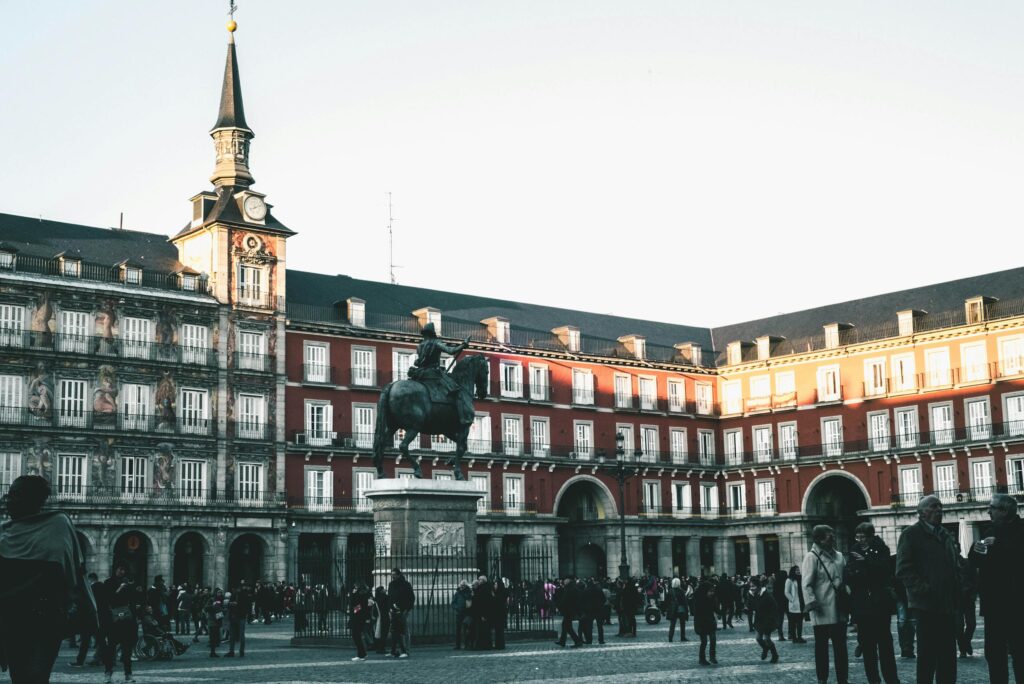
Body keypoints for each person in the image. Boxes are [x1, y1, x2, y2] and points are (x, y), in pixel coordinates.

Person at [0, 475, 96, 683]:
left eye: (16, 494)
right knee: (19, 676)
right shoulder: (4, 531)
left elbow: (65, 573)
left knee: (35, 676)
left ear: (35, 499)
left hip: (45, 617)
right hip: (11, 619)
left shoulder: (57, 525)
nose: (8, 499)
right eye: (9, 494)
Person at [896, 494, 959, 684]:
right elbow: (903, 569)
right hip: (926, 605)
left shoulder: (945, 534)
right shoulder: (911, 535)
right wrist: (924, 589)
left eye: (940, 507)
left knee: (948, 656)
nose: (939, 510)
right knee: (927, 655)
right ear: (921, 513)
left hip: (948, 603)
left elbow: (955, 565)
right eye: (933, 507)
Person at [969, 492, 1024, 684]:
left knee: (1020, 652)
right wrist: (974, 551)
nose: (988, 511)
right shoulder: (989, 529)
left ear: (1005, 510)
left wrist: (999, 545)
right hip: (993, 603)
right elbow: (977, 562)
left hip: (1018, 602)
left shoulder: (1021, 529)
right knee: (994, 654)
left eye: (992, 508)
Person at [846, 521, 899, 684]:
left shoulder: (881, 548)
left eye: (863, 536)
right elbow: (849, 574)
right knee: (867, 646)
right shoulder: (853, 550)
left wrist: (865, 562)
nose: (860, 540)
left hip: (879, 603)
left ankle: (891, 679)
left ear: (870, 536)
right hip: (861, 604)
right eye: (857, 536)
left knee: (885, 644)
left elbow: (885, 570)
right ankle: (873, 680)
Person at [802, 524, 849, 684]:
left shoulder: (839, 556)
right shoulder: (812, 557)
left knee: (841, 648)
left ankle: (843, 678)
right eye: (830, 536)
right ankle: (822, 679)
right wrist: (811, 602)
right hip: (821, 609)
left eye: (833, 535)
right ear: (820, 539)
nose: (833, 538)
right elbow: (806, 584)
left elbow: (846, 578)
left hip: (839, 607)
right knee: (821, 648)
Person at [407, 324, 474, 425]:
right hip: (433, 373)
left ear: (424, 334)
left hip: (421, 374)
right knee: (457, 390)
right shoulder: (436, 343)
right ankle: (462, 417)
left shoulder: (420, 346)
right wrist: (463, 345)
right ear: (432, 333)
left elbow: (420, 361)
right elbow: (451, 351)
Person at [101, 563, 139, 683]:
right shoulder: (108, 583)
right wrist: (120, 588)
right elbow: (108, 599)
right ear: (115, 570)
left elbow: (132, 600)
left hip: (126, 620)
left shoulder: (128, 583)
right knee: (111, 648)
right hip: (113, 620)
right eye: (120, 569)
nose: (122, 572)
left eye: (124, 570)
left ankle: (128, 674)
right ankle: (108, 673)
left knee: (127, 649)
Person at [387, 568, 415, 658]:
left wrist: (407, 609)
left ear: (399, 575)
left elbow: (411, 598)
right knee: (395, 631)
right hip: (393, 611)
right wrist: (390, 608)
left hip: (403, 611)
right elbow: (390, 597)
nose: (393, 576)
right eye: (392, 574)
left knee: (404, 631)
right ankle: (394, 650)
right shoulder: (391, 584)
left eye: (394, 574)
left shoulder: (406, 584)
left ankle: (406, 651)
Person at [752, 576, 780, 664]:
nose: (752, 588)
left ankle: (774, 654)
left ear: (758, 586)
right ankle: (765, 648)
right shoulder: (753, 595)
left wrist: (771, 617)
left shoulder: (766, 595)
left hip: (767, 620)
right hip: (758, 620)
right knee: (758, 638)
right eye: (751, 586)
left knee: (767, 639)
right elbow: (751, 605)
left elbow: (775, 606)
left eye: (753, 586)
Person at [955, 550, 977, 659]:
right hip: (956, 599)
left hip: (968, 598)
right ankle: (963, 648)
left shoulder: (967, 563)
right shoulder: (948, 565)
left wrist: (973, 593)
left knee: (971, 624)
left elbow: (975, 579)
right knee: (958, 627)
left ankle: (965, 643)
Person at [693, 580, 718, 665]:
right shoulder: (699, 600)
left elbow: (715, 608)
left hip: (710, 622)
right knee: (704, 641)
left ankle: (712, 657)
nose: (712, 593)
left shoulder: (712, 598)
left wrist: (720, 612)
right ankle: (702, 658)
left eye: (713, 591)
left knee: (713, 639)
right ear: (705, 591)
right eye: (710, 591)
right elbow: (697, 613)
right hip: (701, 623)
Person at [553, 577, 583, 648]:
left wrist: (560, 606)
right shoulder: (572, 588)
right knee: (565, 625)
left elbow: (566, 600)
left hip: (569, 610)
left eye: (565, 581)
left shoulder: (569, 589)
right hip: (570, 610)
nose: (564, 582)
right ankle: (562, 641)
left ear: (568, 582)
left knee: (568, 627)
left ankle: (577, 641)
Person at [348, 583, 371, 661]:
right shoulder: (363, 594)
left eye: (355, 587)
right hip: (360, 617)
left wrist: (354, 610)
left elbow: (360, 606)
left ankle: (361, 654)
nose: (354, 589)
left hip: (358, 617)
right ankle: (362, 653)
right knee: (357, 635)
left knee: (356, 635)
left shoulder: (360, 595)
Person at [784, 565, 806, 643]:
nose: (798, 571)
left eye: (798, 570)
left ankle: (799, 636)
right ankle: (794, 637)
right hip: (794, 603)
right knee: (793, 622)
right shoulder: (789, 580)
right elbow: (786, 592)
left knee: (800, 622)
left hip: (801, 603)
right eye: (796, 570)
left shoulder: (801, 579)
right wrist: (792, 600)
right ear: (793, 571)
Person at [666, 577, 688, 642]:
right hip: (680, 609)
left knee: (672, 625)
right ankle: (682, 637)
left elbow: (667, 601)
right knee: (682, 624)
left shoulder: (670, 591)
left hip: (673, 609)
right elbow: (684, 602)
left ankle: (670, 637)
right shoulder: (681, 591)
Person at [225, 590, 246, 657]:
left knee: (238, 635)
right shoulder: (241, 597)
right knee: (234, 636)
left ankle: (236, 651)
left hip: (238, 618)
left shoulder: (242, 598)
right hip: (236, 618)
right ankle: (237, 651)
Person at [452, 580, 471, 650]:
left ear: (466, 586)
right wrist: (457, 608)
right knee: (458, 630)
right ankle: (458, 645)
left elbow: (470, 600)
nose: (462, 586)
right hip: (459, 613)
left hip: (466, 613)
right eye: (461, 585)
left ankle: (466, 644)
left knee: (466, 630)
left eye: (464, 585)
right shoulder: (457, 593)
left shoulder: (468, 592)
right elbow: (453, 603)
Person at [206, 589, 226, 658]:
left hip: (218, 620)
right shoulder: (211, 600)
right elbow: (206, 608)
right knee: (212, 637)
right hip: (212, 621)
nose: (219, 594)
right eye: (218, 592)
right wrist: (213, 606)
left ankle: (213, 652)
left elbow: (222, 609)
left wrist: (223, 611)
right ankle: (212, 652)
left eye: (220, 592)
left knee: (216, 637)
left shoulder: (221, 600)